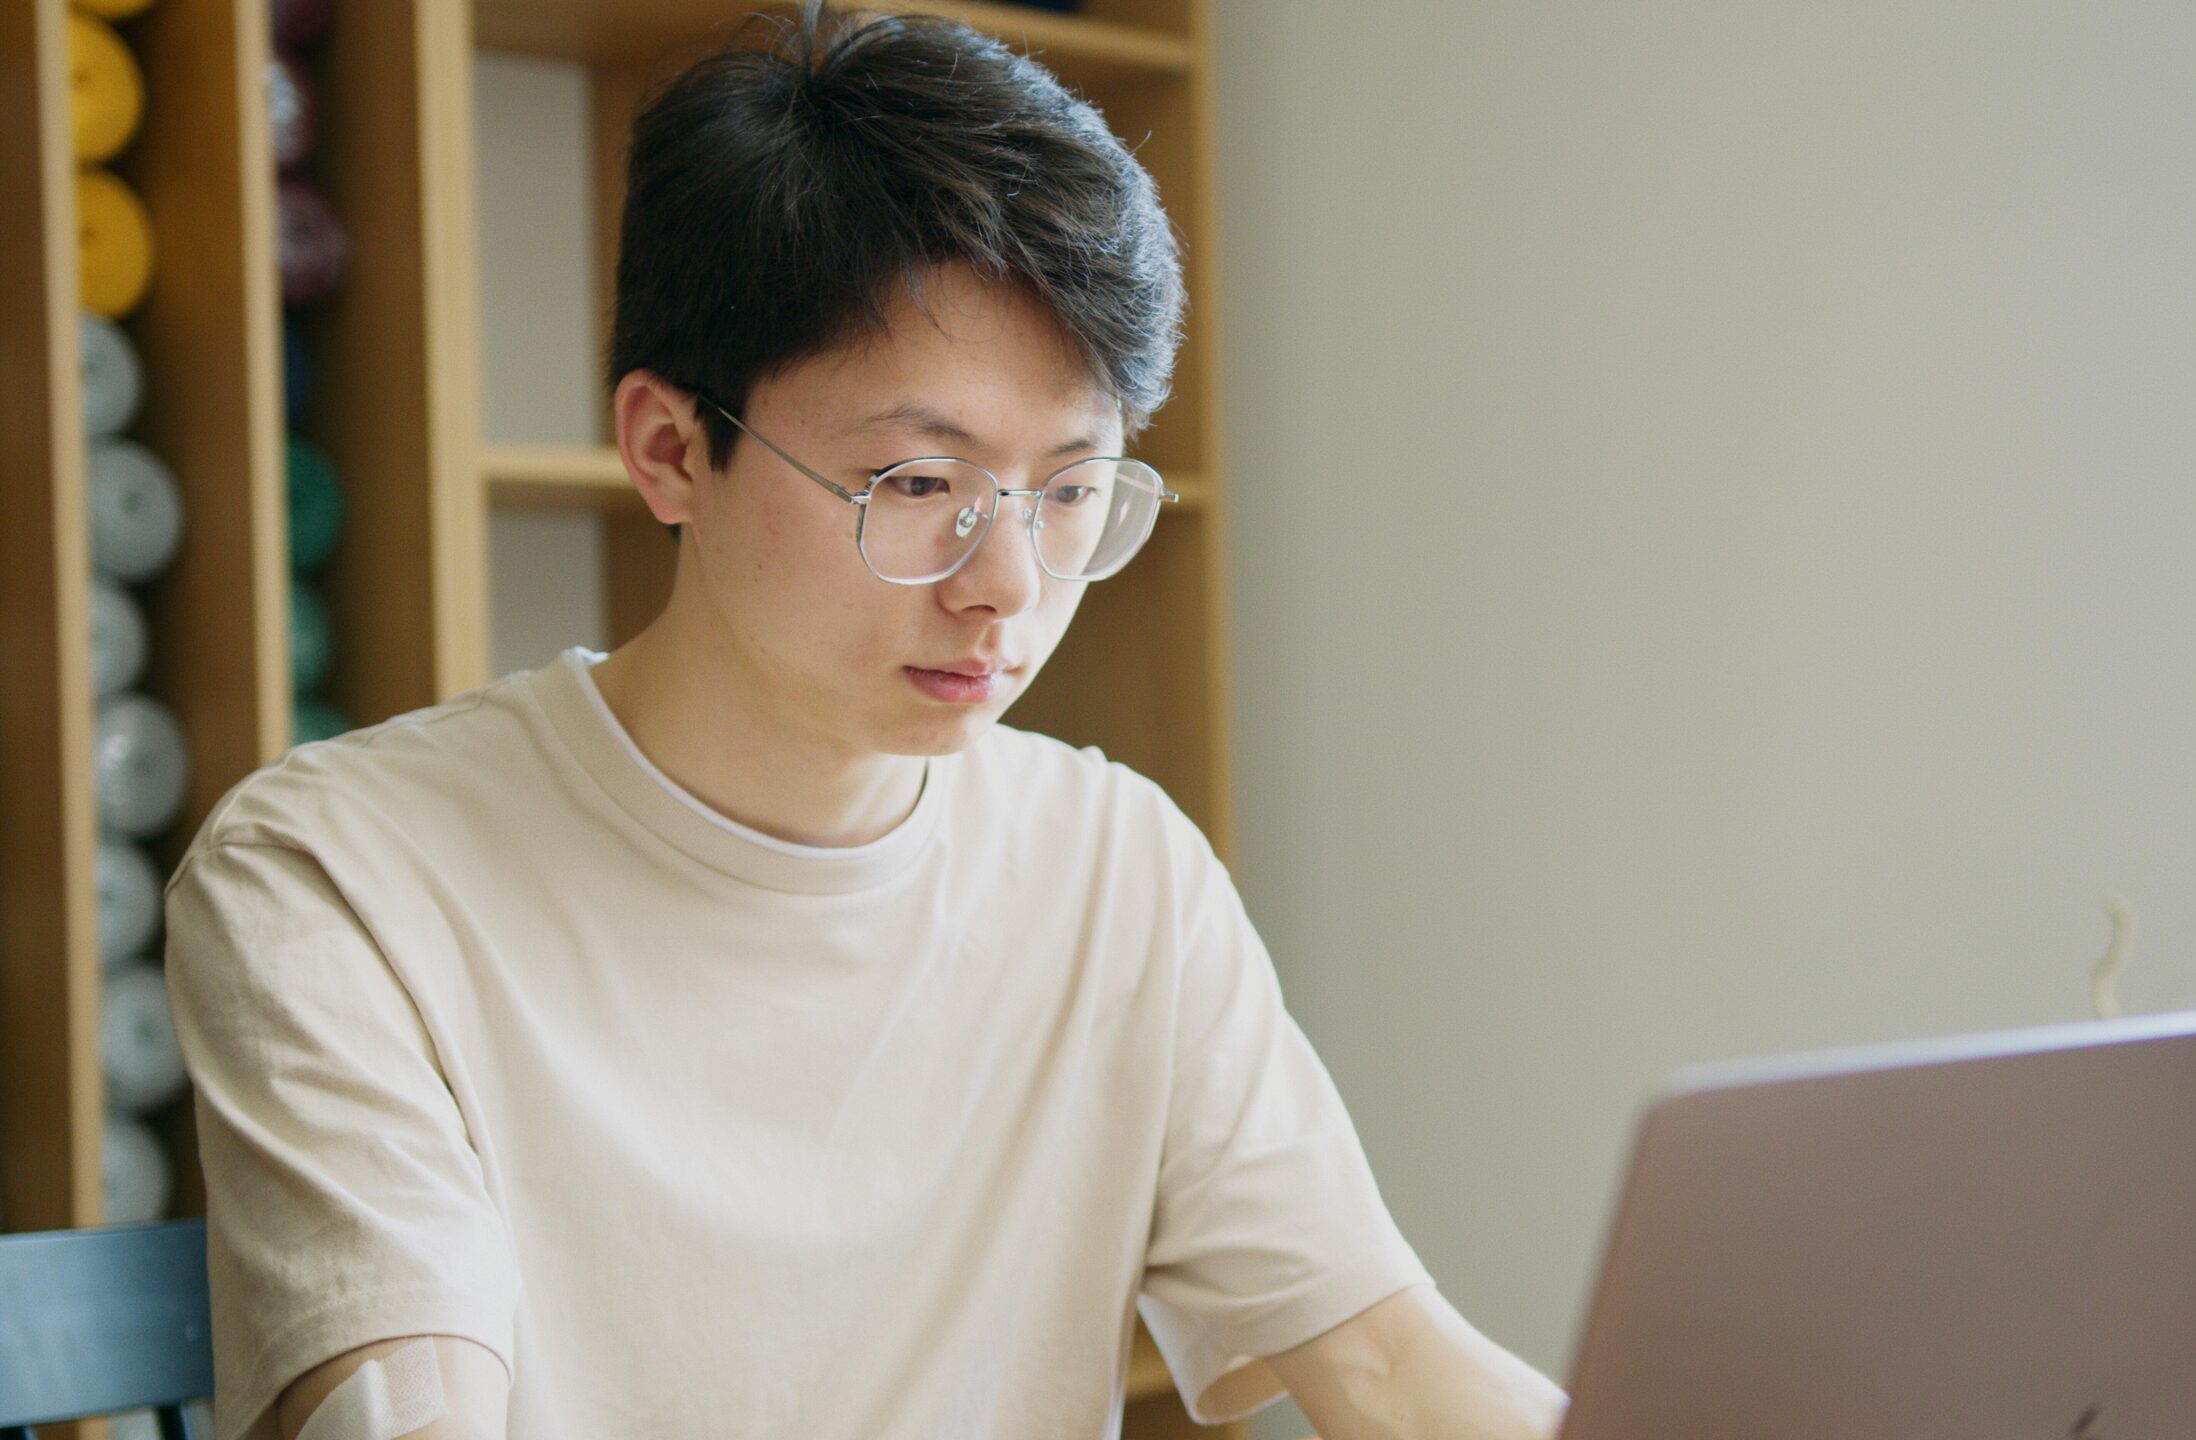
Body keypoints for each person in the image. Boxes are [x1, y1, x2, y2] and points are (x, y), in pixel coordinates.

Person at [164, 8, 1566, 1438]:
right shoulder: (340, 878)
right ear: (668, 450)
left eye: (1073, 489)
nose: (1008, 586)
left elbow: (1389, 1365)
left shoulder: (1113, 871)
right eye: (911, 482)